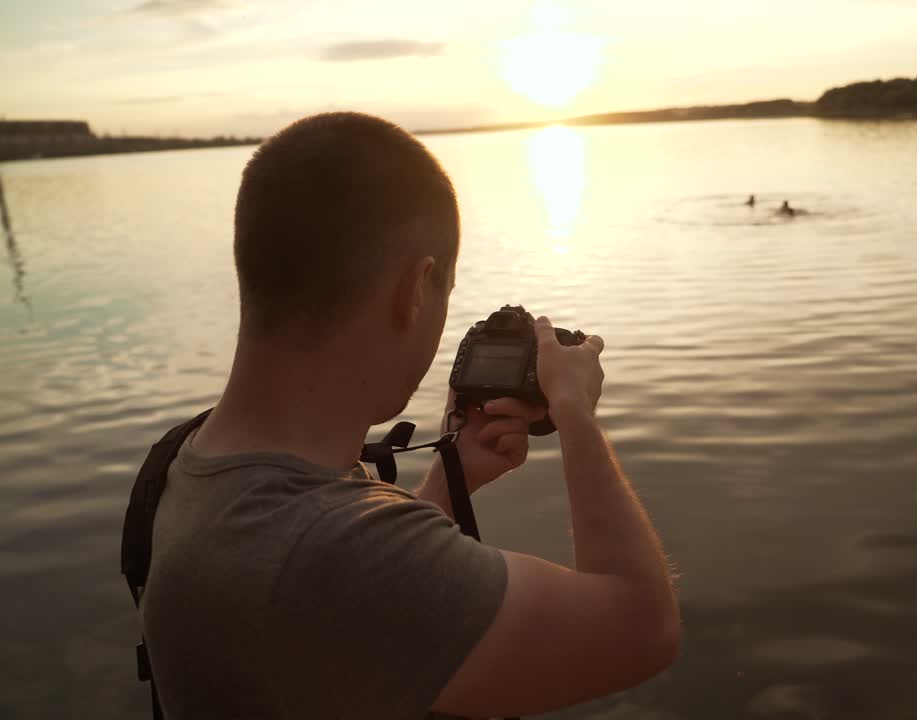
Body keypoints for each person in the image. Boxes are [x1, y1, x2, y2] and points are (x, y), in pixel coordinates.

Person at [138, 112, 681, 719]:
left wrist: (448, 481)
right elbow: (641, 627)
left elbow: (342, 618)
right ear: (417, 289)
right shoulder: (331, 552)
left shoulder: (193, 464)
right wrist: (576, 414)